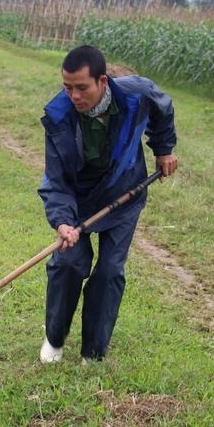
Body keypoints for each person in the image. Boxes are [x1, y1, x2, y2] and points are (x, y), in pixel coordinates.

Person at [38, 45, 178, 364]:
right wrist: (62, 221)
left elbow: (163, 109)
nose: (74, 96)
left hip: (124, 196)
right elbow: (56, 182)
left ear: (102, 81)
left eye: (81, 87)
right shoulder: (59, 118)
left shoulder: (136, 94)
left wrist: (163, 149)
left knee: (109, 271)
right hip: (78, 202)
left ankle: (93, 353)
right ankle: (55, 338)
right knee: (69, 263)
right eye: (67, 87)